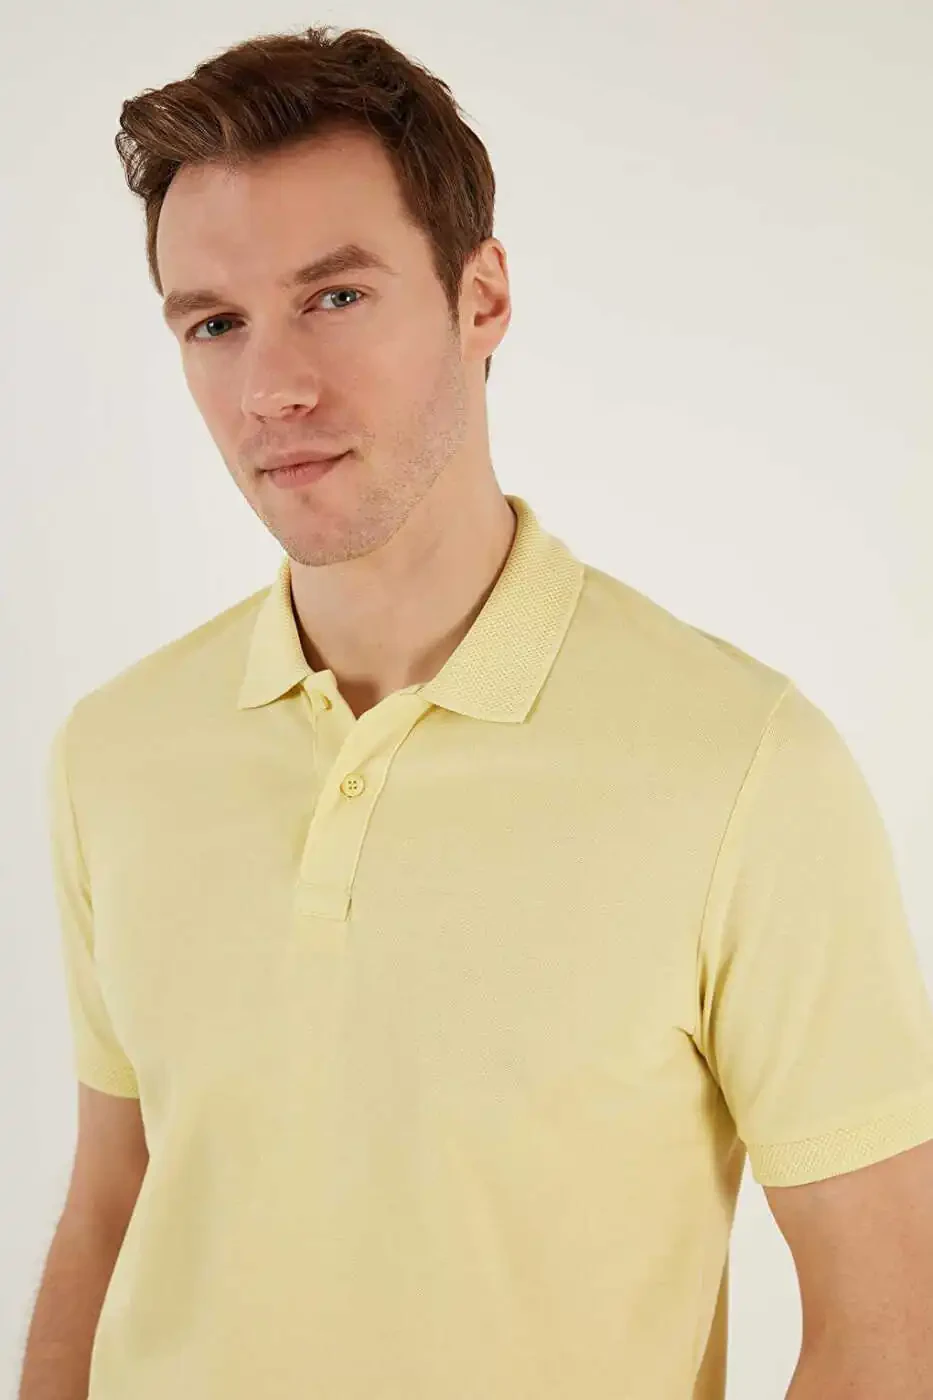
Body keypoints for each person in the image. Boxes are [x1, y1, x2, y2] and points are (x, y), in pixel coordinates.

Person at [19, 23, 933, 1400]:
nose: (273, 387)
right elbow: (113, 1204)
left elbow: (892, 1325)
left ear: (482, 295)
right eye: (214, 323)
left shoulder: (744, 767)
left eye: (335, 296)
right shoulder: (115, 751)